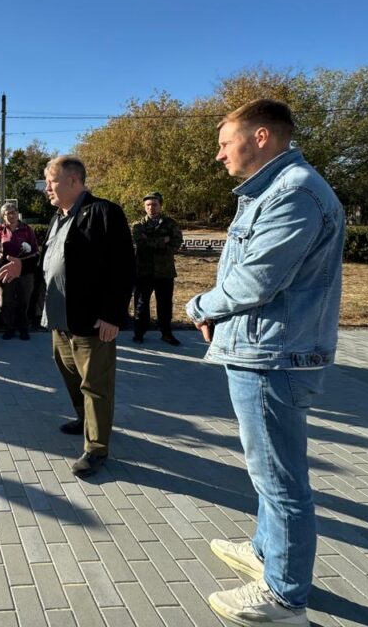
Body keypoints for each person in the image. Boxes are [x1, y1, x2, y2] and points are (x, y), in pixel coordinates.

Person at [185, 99, 344, 627]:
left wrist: (199, 307)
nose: (217, 154)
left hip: (275, 357)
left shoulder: (293, 192)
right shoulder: (277, 189)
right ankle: (265, 552)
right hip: (264, 349)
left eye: (225, 142)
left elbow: (256, 281)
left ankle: (285, 597)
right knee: (267, 471)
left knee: (281, 479)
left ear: (260, 137)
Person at [0, 156, 134, 478]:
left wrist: (113, 315)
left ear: (74, 181)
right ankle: (84, 419)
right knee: (70, 375)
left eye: (52, 181)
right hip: (59, 318)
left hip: (92, 321)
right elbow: (49, 259)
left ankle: (97, 448)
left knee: (96, 385)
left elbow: (125, 267)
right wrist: (23, 265)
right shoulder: (58, 218)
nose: (46, 188)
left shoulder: (103, 212)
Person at [132, 191, 184, 346]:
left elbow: (176, 243)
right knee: (141, 304)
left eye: (154, 204)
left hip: (165, 272)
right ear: (144, 207)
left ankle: (166, 333)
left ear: (160, 205)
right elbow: (141, 244)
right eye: (148, 205)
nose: (151, 208)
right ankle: (139, 333)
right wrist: (164, 240)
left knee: (165, 304)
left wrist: (154, 241)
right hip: (143, 271)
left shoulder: (170, 223)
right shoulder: (138, 225)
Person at [0, 201, 40, 341]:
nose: (11, 215)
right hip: (6, 271)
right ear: (3, 215)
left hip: (24, 272)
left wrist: (23, 261)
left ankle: (23, 328)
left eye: (13, 212)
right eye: (8, 213)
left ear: (17, 213)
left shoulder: (27, 229)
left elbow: (35, 251)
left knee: (24, 300)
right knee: (6, 301)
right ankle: (9, 328)